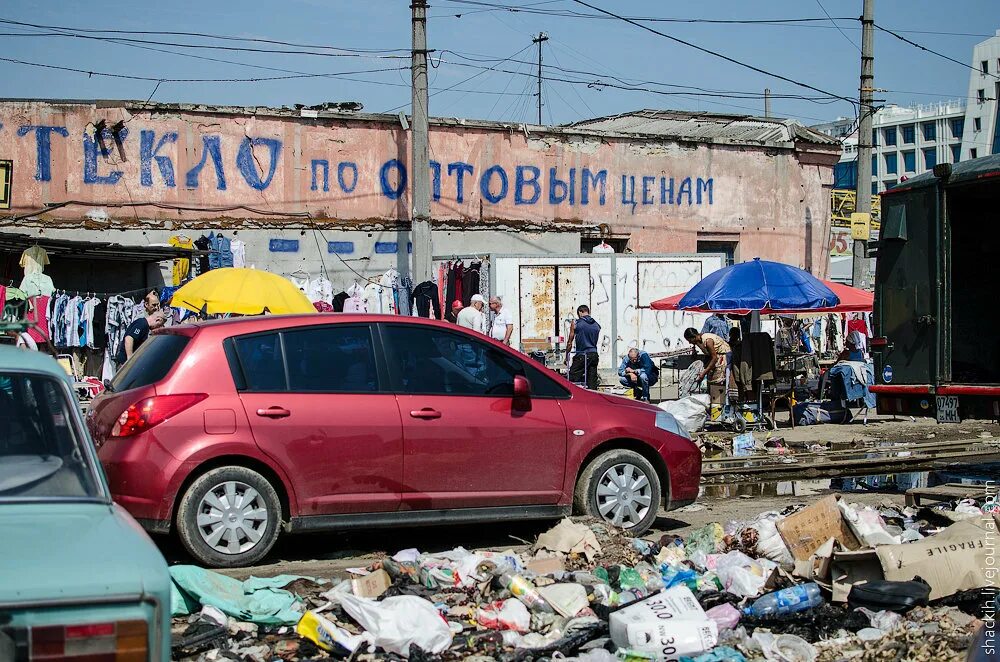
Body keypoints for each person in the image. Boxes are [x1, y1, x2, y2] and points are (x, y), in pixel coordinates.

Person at [684, 327, 731, 405]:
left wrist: (704, 372)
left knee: (717, 383)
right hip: (716, 360)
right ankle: (714, 404)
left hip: (722, 359)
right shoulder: (699, 341)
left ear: (694, 337)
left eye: (690, 340)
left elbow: (714, 358)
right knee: (711, 384)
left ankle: (718, 404)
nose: (690, 343)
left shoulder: (708, 341)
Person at [566, 305, 601, 389]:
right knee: (592, 382)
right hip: (594, 355)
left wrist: (566, 356)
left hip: (582, 355)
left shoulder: (576, 323)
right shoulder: (597, 325)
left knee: (572, 379)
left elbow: (570, 342)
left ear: (580, 312)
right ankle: (593, 400)